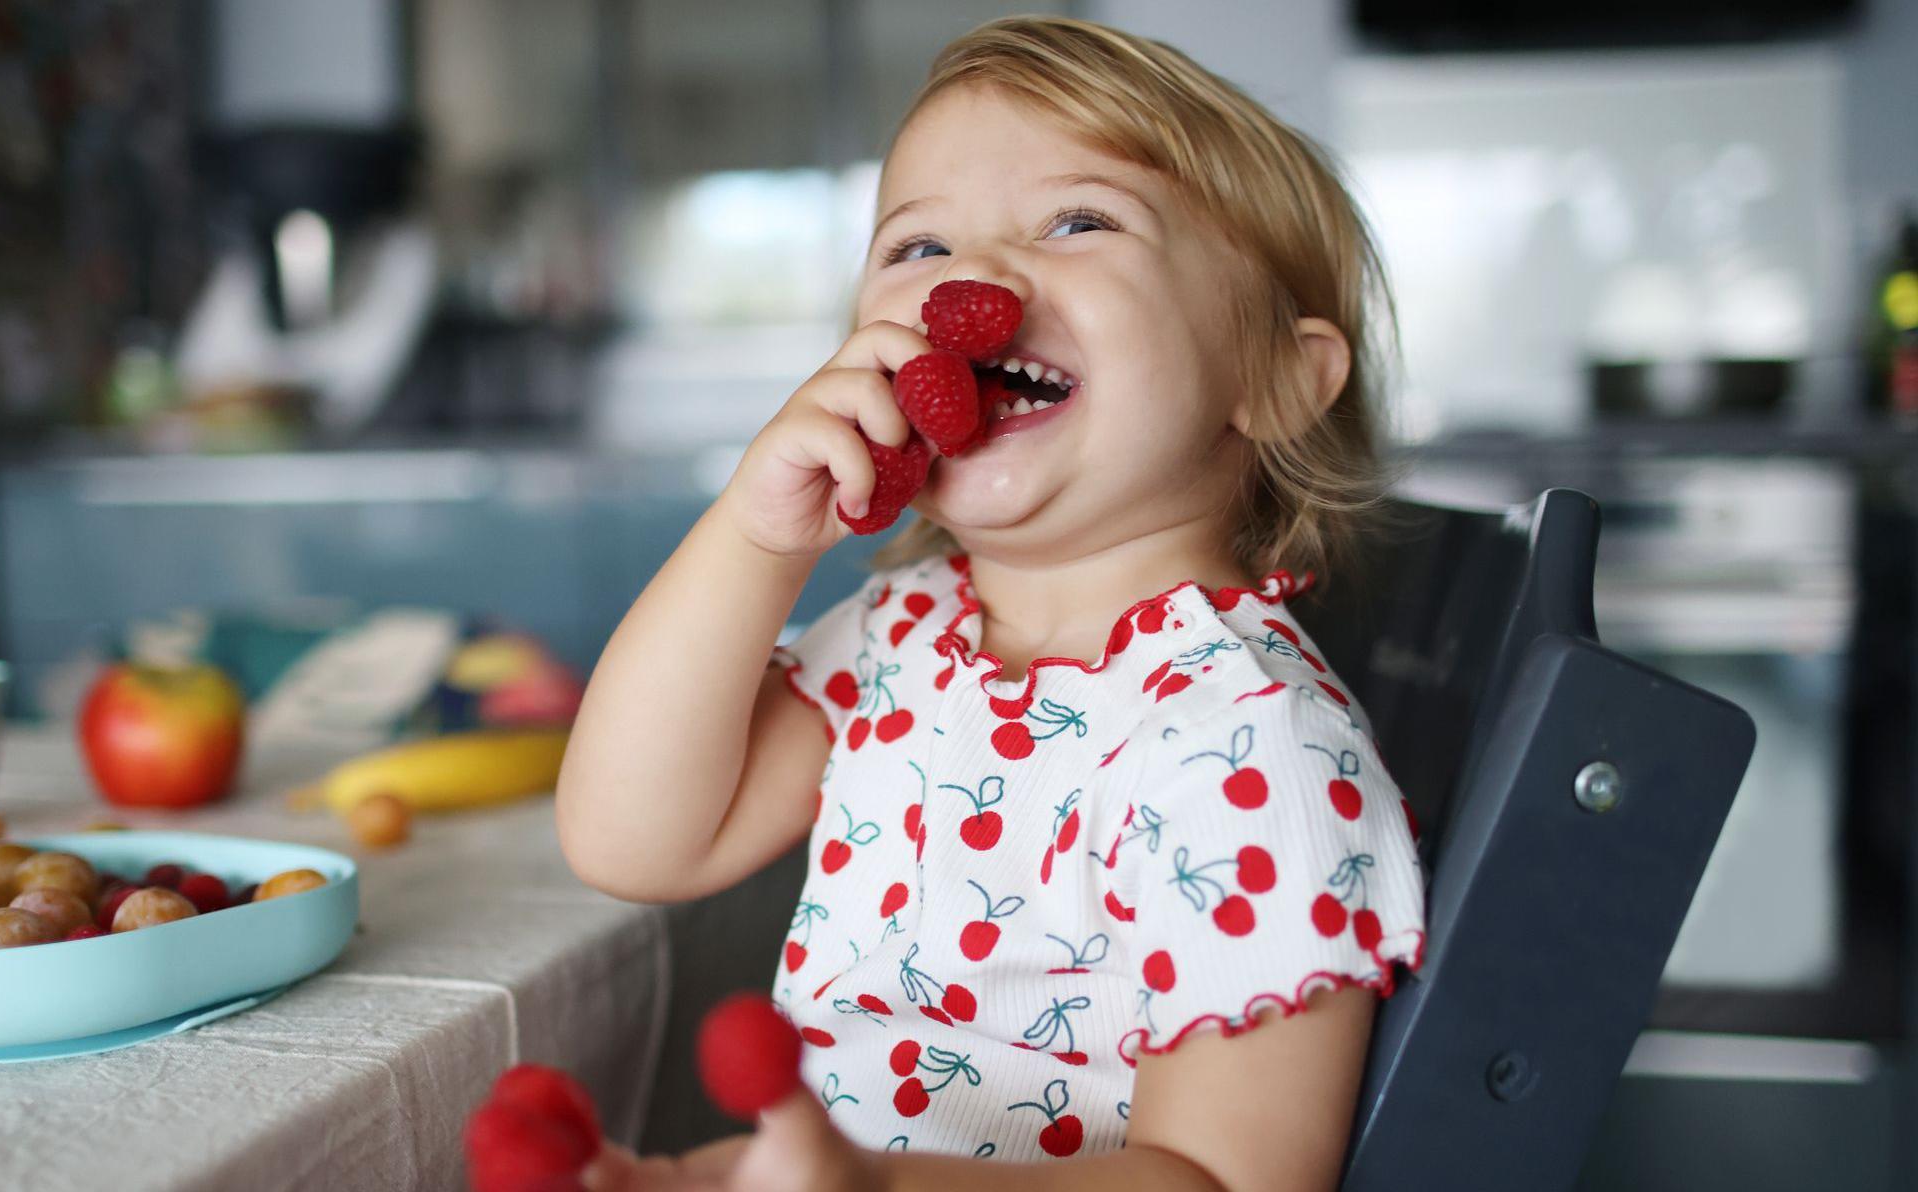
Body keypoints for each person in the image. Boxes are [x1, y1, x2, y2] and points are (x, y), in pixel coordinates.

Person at [558, 16, 1427, 1191]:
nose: (970, 281)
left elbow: (1223, 1179)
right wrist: (757, 533)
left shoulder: (1247, 742)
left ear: (1273, 377)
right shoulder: (906, 631)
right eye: (915, 246)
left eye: (1079, 221)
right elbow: (633, 838)